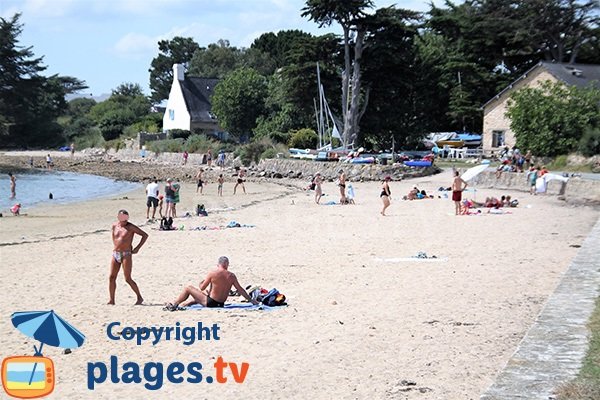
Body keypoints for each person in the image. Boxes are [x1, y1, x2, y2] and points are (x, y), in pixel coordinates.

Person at [165, 256, 258, 310]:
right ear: (227, 265)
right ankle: (186, 304)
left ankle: (175, 304)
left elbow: (202, 287)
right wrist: (251, 300)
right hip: (221, 304)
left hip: (211, 303)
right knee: (204, 294)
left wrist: (201, 283)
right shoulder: (231, 276)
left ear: (218, 264)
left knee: (188, 288)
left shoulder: (213, 273)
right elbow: (240, 290)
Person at [108, 209, 148, 305]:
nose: (124, 220)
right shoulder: (114, 226)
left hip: (126, 254)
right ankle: (112, 300)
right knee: (111, 277)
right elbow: (114, 237)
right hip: (116, 253)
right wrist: (116, 247)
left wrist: (137, 248)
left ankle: (139, 297)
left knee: (128, 278)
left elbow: (145, 235)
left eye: (126, 218)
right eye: (122, 217)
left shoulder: (131, 227)